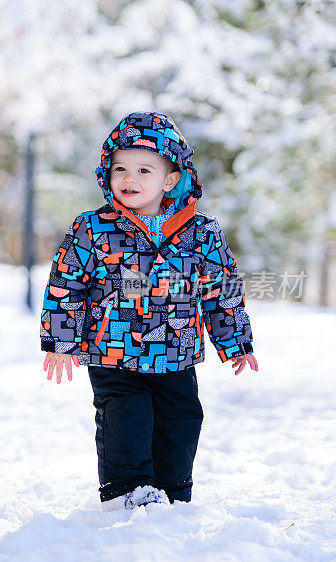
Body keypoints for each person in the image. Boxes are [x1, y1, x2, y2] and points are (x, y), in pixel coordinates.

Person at [39, 111, 258, 511]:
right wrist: (60, 341)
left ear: (171, 179)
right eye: (120, 168)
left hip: (177, 352)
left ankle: (174, 494)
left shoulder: (202, 232)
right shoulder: (93, 229)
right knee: (126, 419)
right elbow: (66, 284)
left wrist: (236, 341)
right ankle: (127, 494)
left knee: (182, 422)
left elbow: (221, 289)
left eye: (144, 169)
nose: (130, 179)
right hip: (113, 352)